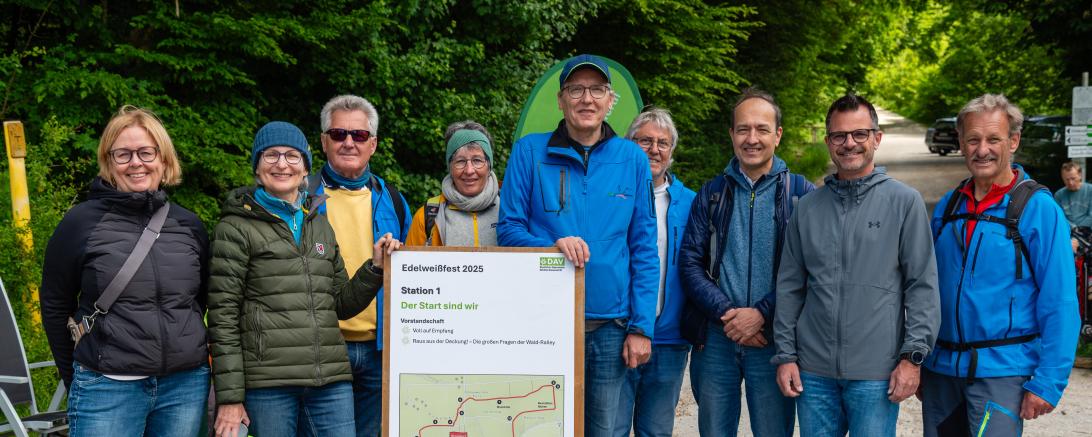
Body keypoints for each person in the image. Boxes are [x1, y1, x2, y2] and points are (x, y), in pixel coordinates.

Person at [497, 54, 658, 436]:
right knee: (541, 426)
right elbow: (508, 230)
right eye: (576, 89)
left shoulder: (632, 158)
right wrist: (553, 244)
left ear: (609, 100)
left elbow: (644, 247)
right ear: (561, 99)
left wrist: (641, 328)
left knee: (603, 429)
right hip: (543, 322)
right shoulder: (528, 152)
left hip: (609, 325)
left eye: (597, 90)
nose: (587, 98)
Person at [208, 121, 399, 437]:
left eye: (292, 156)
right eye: (271, 155)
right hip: (269, 383)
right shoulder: (235, 228)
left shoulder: (318, 222)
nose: (282, 164)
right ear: (257, 167)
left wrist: (375, 268)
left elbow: (339, 304)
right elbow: (222, 318)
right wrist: (230, 398)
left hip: (330, 380)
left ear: (305, 168)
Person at [772, 94, 940, 437]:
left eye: (860, 134)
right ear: (828, 142)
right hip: (813, 374)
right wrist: (786, 355)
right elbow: (790, 288)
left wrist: (912, 358)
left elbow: (922, 286)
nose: (849, 143)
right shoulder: (806, 208)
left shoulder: (904, 203)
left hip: (876, 375)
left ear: (877, 138)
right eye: (839, 136)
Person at [40, 105, 211, 436]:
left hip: (184, 387)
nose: (136, 162)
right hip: (108, 388)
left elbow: (198, 302)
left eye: (146, 152)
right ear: (108, 162)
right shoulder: (79, 223)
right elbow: (55, 303)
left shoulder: (189, 225)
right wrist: (74, 376)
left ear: (163, 159)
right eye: (123, 154)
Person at [923, 94, 1079, 437]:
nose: (983, 150)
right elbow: (925, 291)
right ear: (961, 144)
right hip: (942, 373)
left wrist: (1048, 381)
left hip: (1003, 374)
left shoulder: (1038, 209)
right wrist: (919, 360)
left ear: (1014, 141)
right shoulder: (949, 206)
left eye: (993, 139)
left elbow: (1061, 301)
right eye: (973, 139)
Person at [679, 88, 812, 437]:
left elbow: (811, 272)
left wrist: (761, 315)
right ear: (732, 134)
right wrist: (729, 316)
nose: (752, 138)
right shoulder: (710, 194)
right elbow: (690, 263)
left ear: (778, 135)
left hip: (773, 340)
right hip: (717, 339)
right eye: (743, 129)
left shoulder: (803, 195)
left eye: (762, 129)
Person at [308, 94, 412, 437]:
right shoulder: (300, 198)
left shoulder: (394, 200)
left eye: (359, 135)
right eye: (339, 134)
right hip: (321, 346)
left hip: (379, 348)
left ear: (374, 144)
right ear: (324, 142)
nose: (349, 142)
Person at [611, 107, 696, 437]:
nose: (654, 149)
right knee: (608, 429)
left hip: (670, 339)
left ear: (672, 151)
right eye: (644, 140)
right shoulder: (611, 196)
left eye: (663, 142)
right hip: (615, 333)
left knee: (656, 431)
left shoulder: (691, 202)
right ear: (628, 144)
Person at [406, 121, 500, 247]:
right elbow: (409, 265)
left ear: (489, 166)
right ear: (450, 167)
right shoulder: (427, 217)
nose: (469, 170)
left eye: (477, 160)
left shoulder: (511, 211)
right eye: (460, 161)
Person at [1054, 161, 1092, 228]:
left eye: (1073, 178)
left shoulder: (1090, 190)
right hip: (1067, 231)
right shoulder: (1059, 195)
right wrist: (1074, 229)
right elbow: (1059, 217)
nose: (1070, 183)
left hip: (1088, 231)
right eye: (1067, 179)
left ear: (1080, 175)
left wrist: (1080, 231)